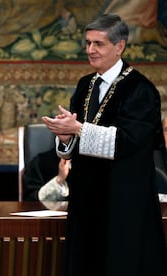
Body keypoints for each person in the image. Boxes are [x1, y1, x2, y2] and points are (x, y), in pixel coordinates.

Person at [42, 14, 167, 276]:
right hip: (86, 200)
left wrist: (78, 129)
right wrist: (65, 139)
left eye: (98, 44)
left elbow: (128, 143)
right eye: (88, 43)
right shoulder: (85, 84)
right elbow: (76, 144)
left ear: (119, 46)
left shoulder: (140, 89)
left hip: (124, 203)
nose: (90, 50)